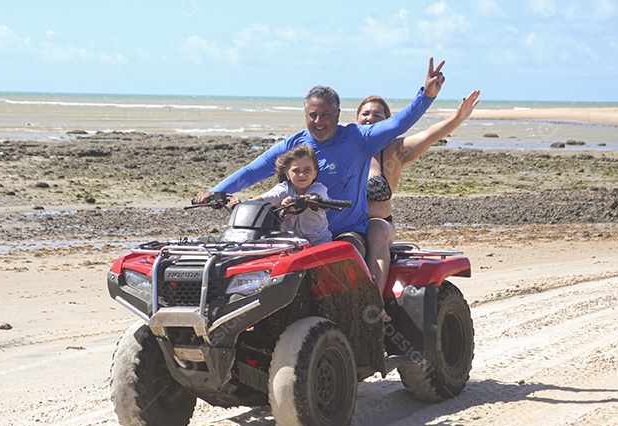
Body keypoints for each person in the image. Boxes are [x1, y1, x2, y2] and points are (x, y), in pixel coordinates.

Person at [195, 57, 446, 256]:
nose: (319, 121)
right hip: (299, 236)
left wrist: (426, 96)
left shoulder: (358, 138)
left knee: (345, 265)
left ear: (337, 115)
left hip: (346, 233)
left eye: (325, 115)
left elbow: (399, 124)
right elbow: (254, 170)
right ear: (306, 115)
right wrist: (217, 191)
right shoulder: (294, 144)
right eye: (313, 115)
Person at [357, 89, 481, 291]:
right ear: (356, 119)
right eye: (365, 114)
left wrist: (458, 117)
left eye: (377, 115)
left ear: (387, 122)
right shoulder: (344, 150)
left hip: (379, 226)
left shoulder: (395, 151)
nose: (370, 118)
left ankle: (374, 304)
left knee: (377, 231)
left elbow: (430, 135)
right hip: (346, 224)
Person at [248, 145, 332, 245]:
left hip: (318, 243)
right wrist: (243, 204)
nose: (301, 174)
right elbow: (265, 198)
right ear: (287, 174)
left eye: (307, 170)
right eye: (296, 170)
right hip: (289, 244)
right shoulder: (284, 189)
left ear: (315, 173)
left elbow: (315, 197)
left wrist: (299, 200)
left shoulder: (319, 188)